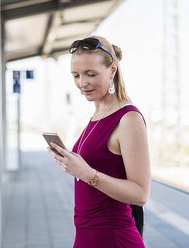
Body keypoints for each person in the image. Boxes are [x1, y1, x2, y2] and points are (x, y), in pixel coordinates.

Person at [47, 36, 151, 248]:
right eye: (76, 75)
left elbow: (141, 194)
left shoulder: (128, 119)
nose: (82, 83)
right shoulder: (97, 115)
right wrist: (70, 162)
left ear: (112, 70)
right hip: (86, 236)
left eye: (90, 74)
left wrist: (86, 173)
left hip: (113, 238)